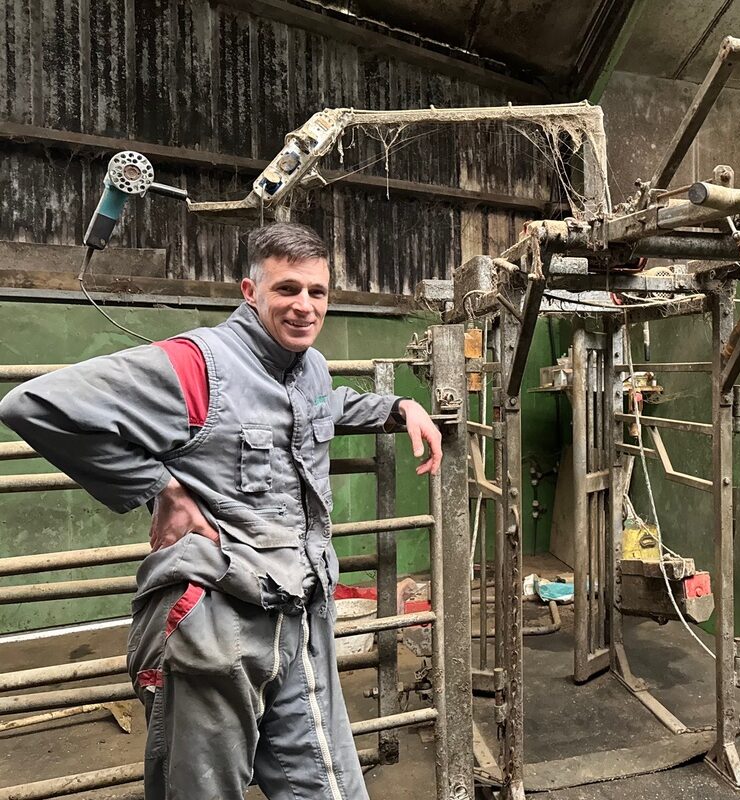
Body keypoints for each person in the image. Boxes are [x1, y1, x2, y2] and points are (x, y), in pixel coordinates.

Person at [0, 222, 442, 800]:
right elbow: (35, 405)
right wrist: (162, 487)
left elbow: (318, 407)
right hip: (217, 623)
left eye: (318, 292)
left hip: (299, 613)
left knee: (330, 788)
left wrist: (399, 406)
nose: (305, 307)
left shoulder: (307, 366)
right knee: (202, 791)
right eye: (287, 290)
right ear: (249, 291)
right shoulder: (196, 365)